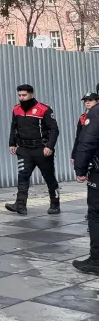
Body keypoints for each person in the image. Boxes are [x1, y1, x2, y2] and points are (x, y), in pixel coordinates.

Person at [6, 84, 61, 215]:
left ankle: (55, 203)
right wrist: (12, 143)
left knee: (49, 177)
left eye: (24, 95)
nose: (21, 98)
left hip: (41, 150)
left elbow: (54, 130)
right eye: (19, 95)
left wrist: (49, 146)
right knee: (23, 176)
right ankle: (20, 205)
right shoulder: (16, 109)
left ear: (32, 94)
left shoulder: (44, 109)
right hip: (24, 149)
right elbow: (14, 127)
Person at [71, 92, 99, 274]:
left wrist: (80, 169)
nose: (88, 103)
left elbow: (87, 142)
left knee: (96, 213)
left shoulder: (95, 114)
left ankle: (96, 261)